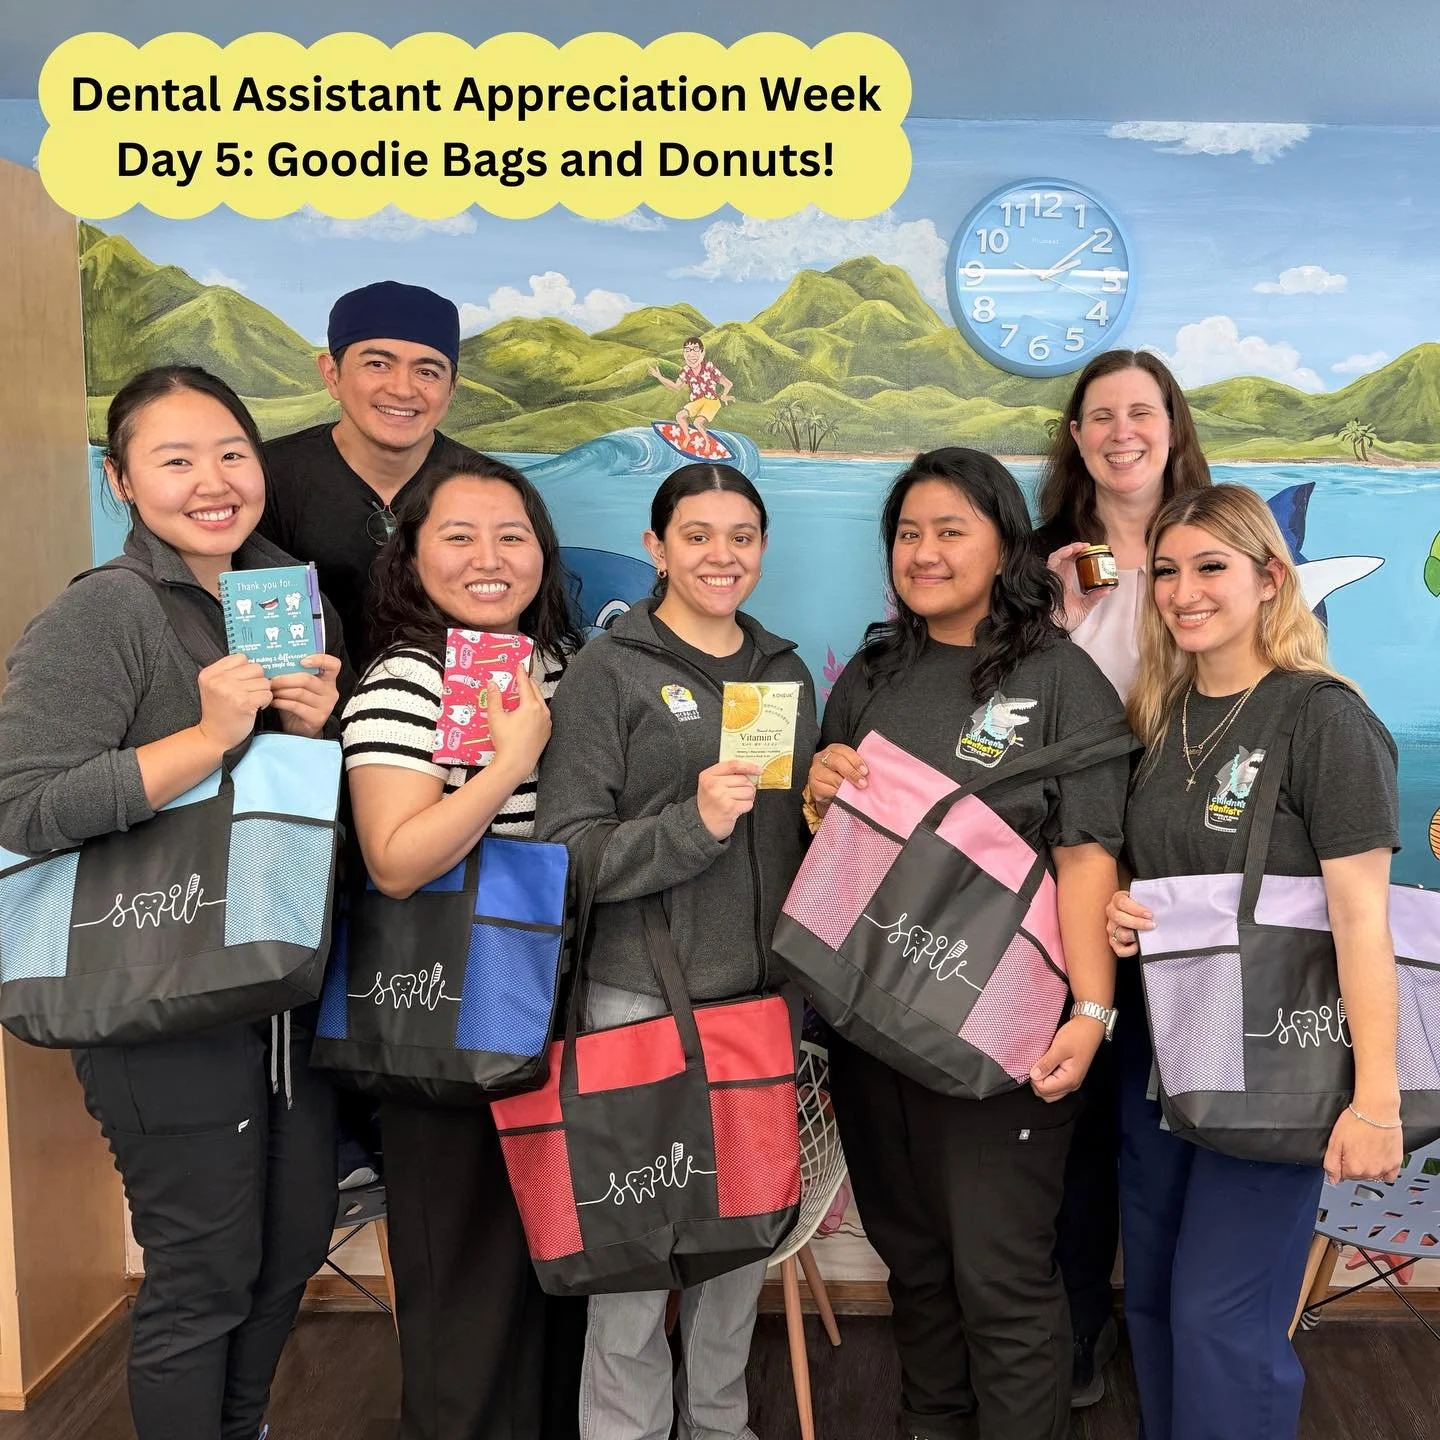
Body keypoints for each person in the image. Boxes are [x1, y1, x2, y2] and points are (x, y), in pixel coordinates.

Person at [0, 366, 346, 1440]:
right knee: (201, 1278)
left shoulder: (282, 598)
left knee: (287, 1258)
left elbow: (278, 813)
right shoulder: (106, 611)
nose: (213, 481)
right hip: (157, 1001)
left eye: (232, 454)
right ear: (121, 481)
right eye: (177, 459)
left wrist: (303, 730)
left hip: (277, 992)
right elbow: (21, 806)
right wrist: (202, 738)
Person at [806, 448, 1129, 1440]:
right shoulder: (871, 672)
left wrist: (1090, 1010)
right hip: (873, 1027)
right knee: (916, 1266)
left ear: (1004, 544)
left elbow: (1086, 860)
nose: (925, 551)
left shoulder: (1062, 680)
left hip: (1003, 1043)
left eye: (951, 530)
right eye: (908, 533)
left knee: (1002, 1280)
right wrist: (818, 795)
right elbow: (841, 847)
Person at [1104, 484, 1402, 1440]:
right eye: (1167, 571)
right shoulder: (1165, 713)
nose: (1184, 591)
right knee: (1149, 1297)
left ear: (1272, 579)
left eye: (1211, 567)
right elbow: (1172, 882)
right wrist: (1125, 913)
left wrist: (1378, 1100)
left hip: (1280, 1063)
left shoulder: (1324, 718)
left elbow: (1363, 920)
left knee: (1221, 1319)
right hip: (1166, 1052)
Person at [535, 462, 818, 1440]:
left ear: (762, 548)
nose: (721, 555)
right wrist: (689, 825)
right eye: (697, 534)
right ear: (657, 548)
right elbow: (568, 855)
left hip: (755, 1007)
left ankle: (719, 1429)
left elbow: (781, 839)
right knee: (631, 1264)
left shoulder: (782, 670)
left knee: (737, 1257)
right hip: (635, 1004)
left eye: (741, 535)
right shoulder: (611, 671)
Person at [339, 456, 585, 1440]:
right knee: (464, 1282)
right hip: (451, 1003)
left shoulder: (561, 665)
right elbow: (394, 861)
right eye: (458, 536)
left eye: (511, 535)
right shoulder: (406, 678)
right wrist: (509, 761)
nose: (489, 558)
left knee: (560, 1265)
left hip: (567, 997)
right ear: (413, 556)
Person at [1031, 349, 1211, 1404]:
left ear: (1171, 425)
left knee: (1177, 1112)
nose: (1122, 431)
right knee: (1084, 1119)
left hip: (1188, 882)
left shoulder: (1216, 551)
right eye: (1101, 415)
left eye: (1141, 412)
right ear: (1077, 436)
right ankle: (1079, 1330)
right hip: (1075, 877)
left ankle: (1176, 1328)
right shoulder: (1052, 565)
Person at [259, 280, 481, 671]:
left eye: (428, 371)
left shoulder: (487, 488)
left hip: (444, 716)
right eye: (377, 364)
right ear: (331, 374)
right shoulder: (264, 479)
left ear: (451, 389)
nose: (402, 389)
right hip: (298, 716)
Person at [647, 337, 734, 442]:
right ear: (684, 354)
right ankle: (687, 437)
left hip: (711, 401)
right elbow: (675, 387)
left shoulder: (709, 367)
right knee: (680, 416)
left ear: (702, 353)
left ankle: (707, 442)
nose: (691, 354)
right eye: (687, 350)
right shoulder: (686, 371)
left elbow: (728, 384)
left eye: (696, 349)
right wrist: (659, 377)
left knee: (697, 423)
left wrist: (724, 395)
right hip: (697, 401)